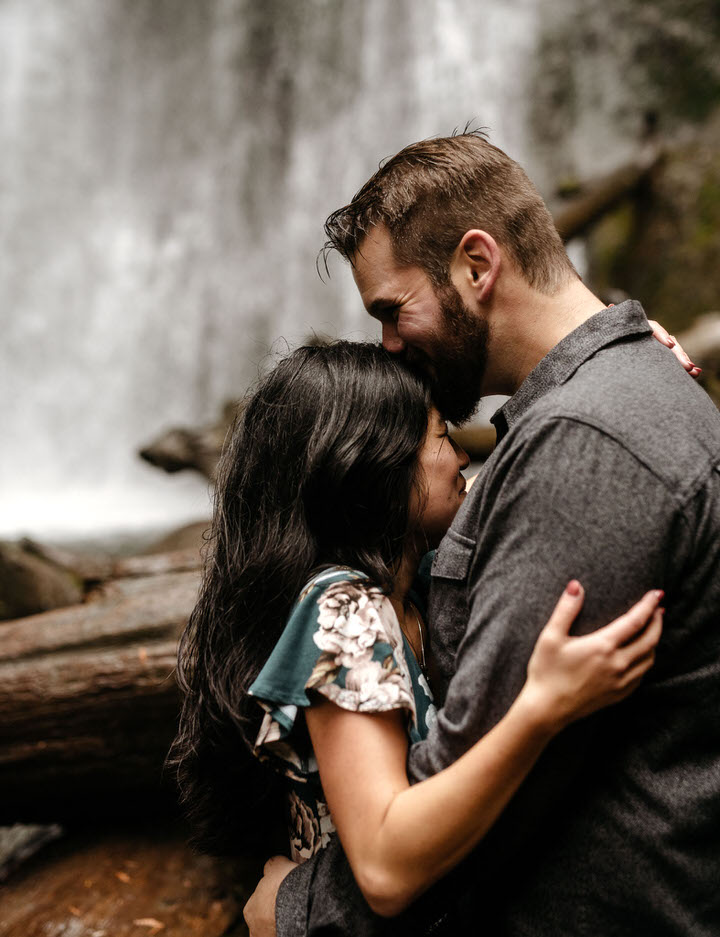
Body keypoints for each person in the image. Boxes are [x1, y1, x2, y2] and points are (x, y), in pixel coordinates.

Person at [246, 131, 720, 937]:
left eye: (393, 312)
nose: (389, 345)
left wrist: (298, 911)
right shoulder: (599, 404)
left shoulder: (587, 444)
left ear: (477, 264)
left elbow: (480, 785)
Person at [170, 340, 663, 929]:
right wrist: (541, 709)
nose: (461, 460)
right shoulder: (347, 608)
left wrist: (625, 359)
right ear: (374, 464)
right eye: (440, 438)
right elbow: (382, 867)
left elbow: (540, 476)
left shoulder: (423, 582)